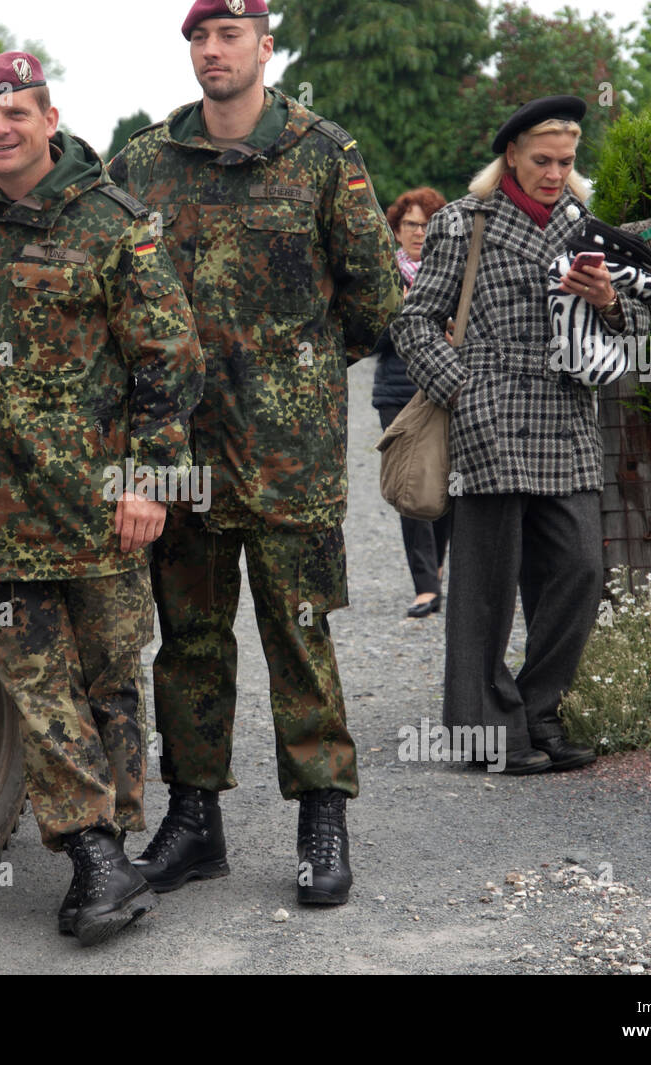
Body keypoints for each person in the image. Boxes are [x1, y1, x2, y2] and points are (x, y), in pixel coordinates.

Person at [0, 52, 204, 945]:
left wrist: (150, 480)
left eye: (17, 113)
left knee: (108, 679)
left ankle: (119, 838)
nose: (1, 129)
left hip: (99, 502)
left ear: (50, 119)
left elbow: (168, 360)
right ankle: (92, 851)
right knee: (33, 681)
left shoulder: (113, 223)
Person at [104, 0, 401, 907]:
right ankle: (195, 823)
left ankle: (322, 818)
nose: (210, 50)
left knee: (300, 636)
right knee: (188, 643)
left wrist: (295, 374)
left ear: (265, 48)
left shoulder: (321, 153)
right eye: (197, 36)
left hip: (288, 457)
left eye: (228, 35)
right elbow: (92, 257)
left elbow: (378, 297)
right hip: (179, 452)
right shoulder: (147, 162)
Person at [392, 96, 651, 775]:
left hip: (566, 422)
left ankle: (539, 710)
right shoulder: (461, 223)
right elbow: (414, 322)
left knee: (580, 570)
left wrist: (608, 302)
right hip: (489, 423)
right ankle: (488, 732)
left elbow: (630, 333)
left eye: (566, 162)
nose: (555, 173)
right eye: (543, 160)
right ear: (511, 154)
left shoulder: (584, 227)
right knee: (484, 588)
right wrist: (460, 386)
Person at [372, 186, 452, 618]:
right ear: (397, 229)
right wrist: (400, 320)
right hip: (398, 393)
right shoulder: (384, 275)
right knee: (410, 484)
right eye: (410, 225)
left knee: (447, 482)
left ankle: (436, 564)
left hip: (448, 388)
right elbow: (368, 341)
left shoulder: (455, 272)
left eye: (426, 224)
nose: (419, 232)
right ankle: (425, 584)